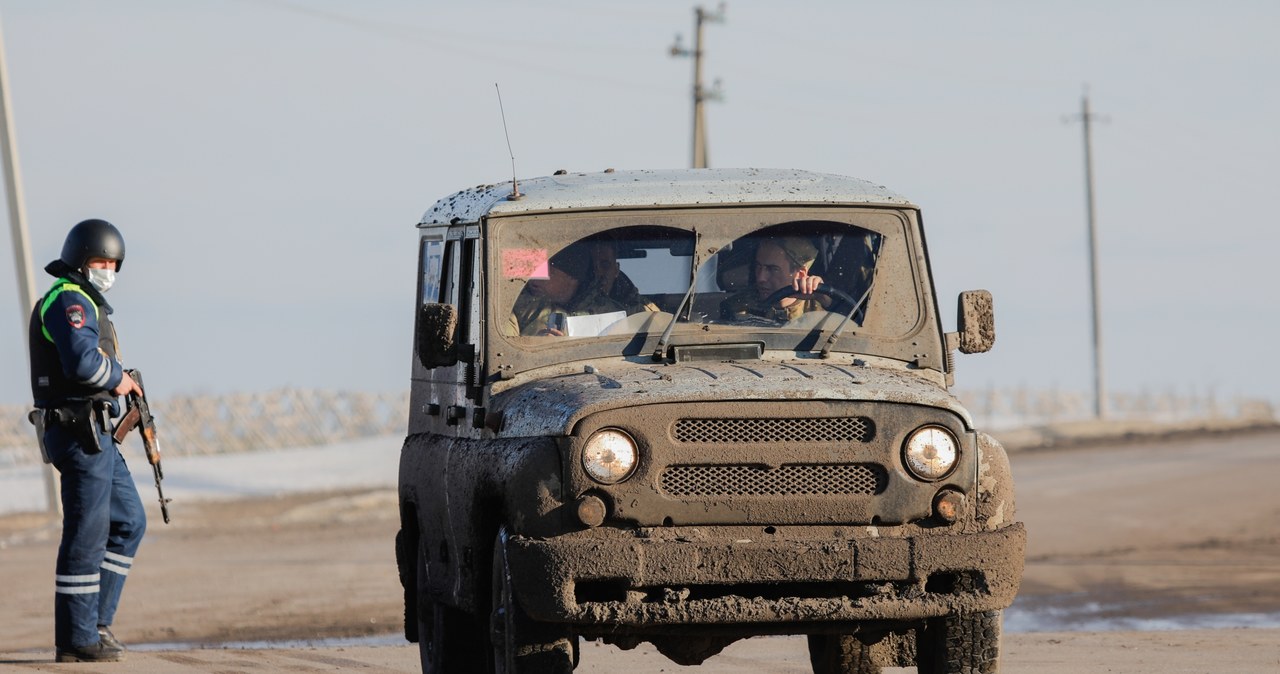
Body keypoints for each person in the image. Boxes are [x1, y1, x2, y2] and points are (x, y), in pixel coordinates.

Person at [28, 219, 146, 663]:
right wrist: (118, 379)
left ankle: (96, 622)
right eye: (100, 261)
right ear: (80, 260)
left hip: (99, 434)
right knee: (87, 531)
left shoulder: (90, 304)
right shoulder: (68, 299)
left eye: (113, 263)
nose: (108, 270)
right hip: (78, 432)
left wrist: (125, 387)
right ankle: (76, 640)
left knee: (129, 521)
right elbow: (81, 363)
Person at [505, 244, 626, 336]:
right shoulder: (515, 309)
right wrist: (534, 347)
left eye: (546, 272)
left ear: (572, 277)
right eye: (534, 271)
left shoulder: (611, 312)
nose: (533, 279)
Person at [723, 235, 828, 323]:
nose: (760, 278)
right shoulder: (738, 307)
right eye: (758, 266)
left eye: (773, 269)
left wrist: (825, 298)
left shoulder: (822, 311)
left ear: (800, 274)